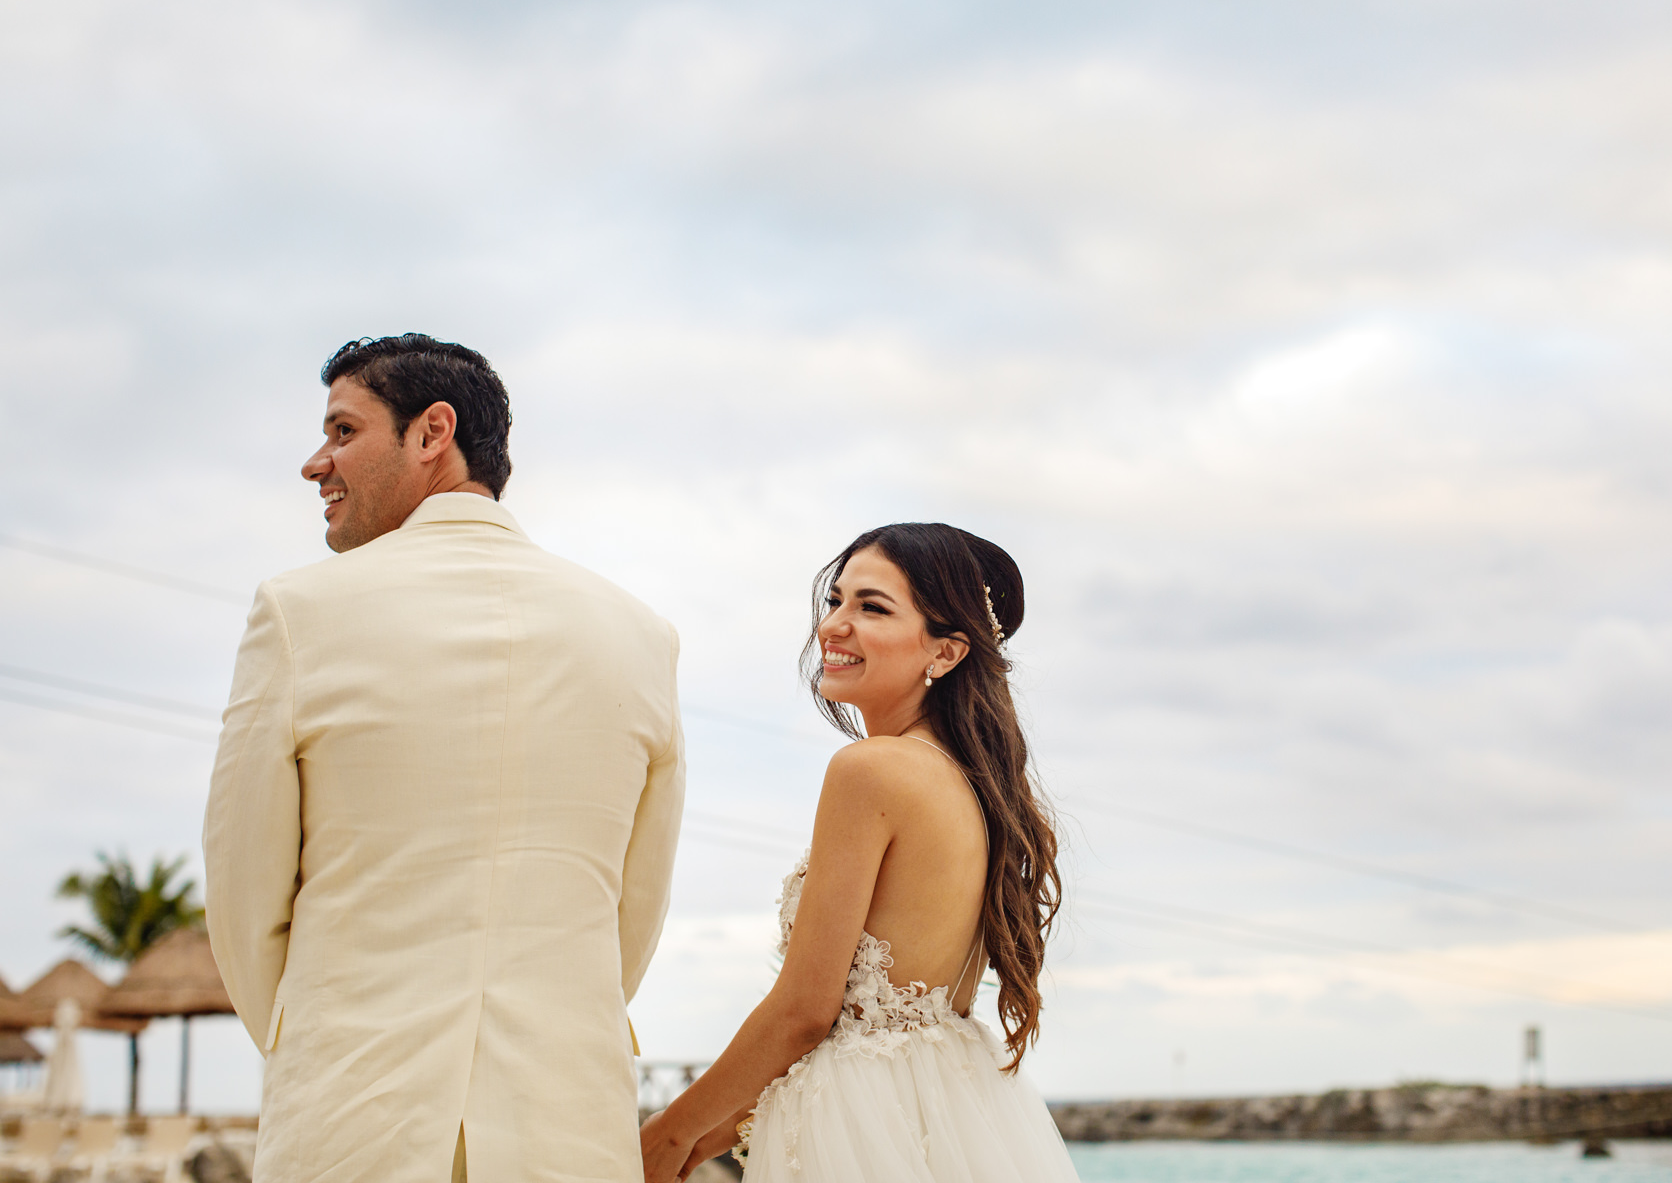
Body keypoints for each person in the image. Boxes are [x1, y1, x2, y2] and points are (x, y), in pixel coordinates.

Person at [204, 334, 684, 1183]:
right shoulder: (640, 636)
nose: (315, 464)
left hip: (349, 1121)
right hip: (570, 1126)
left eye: (343, 431)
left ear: (433, 432)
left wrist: (324, 1034)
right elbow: (632, 917)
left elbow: (244, 892)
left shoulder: (297, 613)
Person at [640, 523, 1079, 1183]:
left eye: (872, 607)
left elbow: (806, 1013)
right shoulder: (973, 784)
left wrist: (668, 1135)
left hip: (859, 1125)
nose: (834, 626)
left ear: (948, 651)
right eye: (835, 602)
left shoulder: (870, 771)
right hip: (948, 1108)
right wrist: (706, 1139)